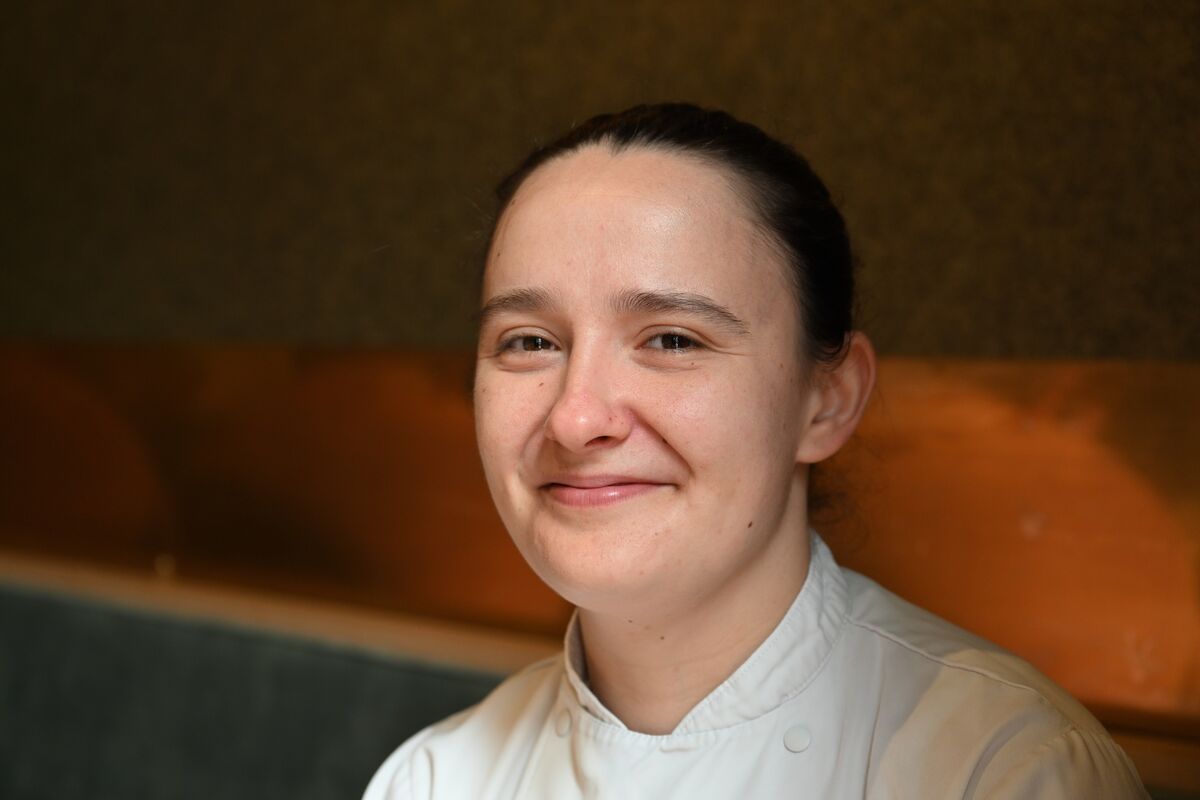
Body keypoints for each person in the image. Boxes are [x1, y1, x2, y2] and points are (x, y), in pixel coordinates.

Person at [364, 103, 1148, 798]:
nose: (576, 418)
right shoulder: (435, 780)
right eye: (529, 341)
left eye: (671, 338)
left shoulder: (1006, 769)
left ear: (826, 400)